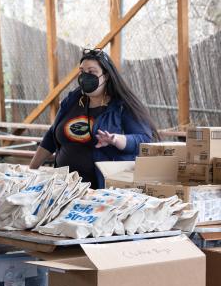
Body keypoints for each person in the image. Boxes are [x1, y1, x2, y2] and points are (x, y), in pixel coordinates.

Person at [30, 48, 155, 188]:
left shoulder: (122, 105)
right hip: (63, 187)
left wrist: (116, 139)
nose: (85, 76)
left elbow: (144, 140)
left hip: (101, 190)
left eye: (92, 72)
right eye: (82, 72)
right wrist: (31, 170)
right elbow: (51, 136)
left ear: (106, 76)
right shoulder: (71, 101)